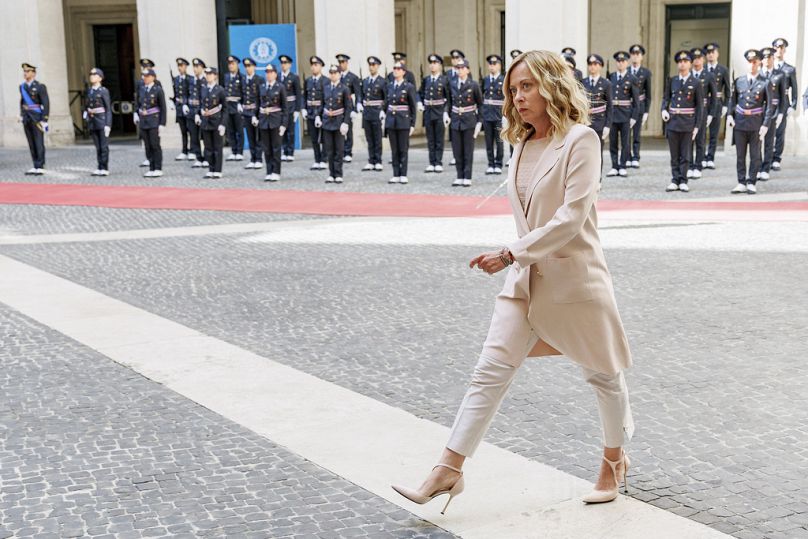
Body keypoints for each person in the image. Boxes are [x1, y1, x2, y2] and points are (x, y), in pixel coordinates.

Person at [391, 50, 635, 514]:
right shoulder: (520, 144)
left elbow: (571, 218)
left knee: (602, 374)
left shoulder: (581, 140)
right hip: (525, 283)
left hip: (574, 281)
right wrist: (517, 259)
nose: (517, 97)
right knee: (490, 370)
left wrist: (509, 252)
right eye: (512, 89)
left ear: (551, 86)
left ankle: (613, 460)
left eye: (526, 87)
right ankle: (449, 468)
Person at [727, 49, 773, 195]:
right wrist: (729, 115)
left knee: (755, 155)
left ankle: (751, 181)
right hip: (740, 123)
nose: (752, 65)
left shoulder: (765, 83)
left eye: (755, 62)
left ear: (759, 63)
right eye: (749, 62)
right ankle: (741, 182)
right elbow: (732, 100)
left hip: (755, 124)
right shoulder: (739, 81)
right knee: (740, 155)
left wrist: (765, 124)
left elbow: (770, 105)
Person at [661, 50, 703, 193]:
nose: (682, 64)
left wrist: (697, 126)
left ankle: (683, 180)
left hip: (687, 123)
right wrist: (663, 110)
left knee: (685, 154)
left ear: (690, 64)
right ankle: (674, 179)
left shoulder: (696, 83)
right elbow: (666, 98)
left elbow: (699, 106)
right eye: (680, 62)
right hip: (673, 122)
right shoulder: (672, 80)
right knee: (674, 154)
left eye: (685, 61)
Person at [448, 58, 482, 187]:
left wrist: (479, 122)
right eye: (458, 68)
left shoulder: (473, 85)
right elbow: (450, 102)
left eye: (463, 68)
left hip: (469, 120)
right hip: (456, 120)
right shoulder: (452, 83)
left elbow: (480, 104)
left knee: (468, 150)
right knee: (457, 150)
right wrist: (447, 113)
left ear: (467, 70)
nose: (460, 70)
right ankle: (459, 176)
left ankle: (467, 176)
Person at [606, 51, 639, 177]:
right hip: (613, 114)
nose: (620, 63)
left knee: (625, 142)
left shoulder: (632, 78)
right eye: (618, 61)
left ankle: (623, 165)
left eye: (623, 61)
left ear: (627, 63)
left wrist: (634, 116)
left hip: (626, 114)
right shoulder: (611, 77)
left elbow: (636, 100)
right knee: (613, 141)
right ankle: (615, 166)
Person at [385, 61, 417, 185]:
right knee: (394, 149)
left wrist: (413, 124)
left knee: (403, 149)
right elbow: (387, 103)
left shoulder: (408, 87)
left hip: (403, 121)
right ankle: (395, 174)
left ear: (403, 72)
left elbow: (413, 107)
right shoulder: (390, 86)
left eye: (399, 69)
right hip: (392, 121)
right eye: (394, 68)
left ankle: (403, 174)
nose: (396, 70)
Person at [687, 47, 717, 180]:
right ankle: (689, 165)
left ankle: (698, 166)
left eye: (699, 58)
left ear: (703, 59)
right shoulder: (687, 74)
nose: (697, 61)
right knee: (688, 140)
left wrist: (711, 114)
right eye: (694, 58)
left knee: (700, 139)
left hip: (703, 111)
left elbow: (714, 97)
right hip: (688, 111)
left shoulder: (709, 75)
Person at [321, 64, 352, 184]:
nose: (333, 75)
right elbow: (322, 104)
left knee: (339, 149)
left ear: (339, 74)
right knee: (329, 149)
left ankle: (338, 173)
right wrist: (319, 116)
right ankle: (331, 173)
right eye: (331, 72)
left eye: (335, 73)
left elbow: (348, 107)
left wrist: (345, 122)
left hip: (339, 121)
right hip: (327, 121)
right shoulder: (326, 87)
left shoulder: (344, 89)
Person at [758, 47, 786, 182]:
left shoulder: (780, 75)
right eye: (764, 57)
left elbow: (783, 96)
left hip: (773, 112)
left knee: (769, 142)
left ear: (773, 58)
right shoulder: (757, 74)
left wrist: (781, 112)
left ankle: (765, 168)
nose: (766, 60)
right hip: (757, 113)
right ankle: (757, 167)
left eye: (769, 57)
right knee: (756, 142)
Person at [418, 53, 449, 173]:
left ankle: (438, 162)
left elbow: (448, 98)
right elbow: (419, 93)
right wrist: (419, 102)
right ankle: (431, 162)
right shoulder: (426, 80)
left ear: (440, 65)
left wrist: (446, 112)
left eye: (435, 63)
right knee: (430, 139)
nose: (432, 65)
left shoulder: (444, 80)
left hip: (439, 111)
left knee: (439, 139)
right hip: (428, 112)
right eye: (431, 63)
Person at [771, 37, 798, 171]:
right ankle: (768, 156)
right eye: (776, 47)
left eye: (781, 47)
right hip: (770, 102)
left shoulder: (790, 69)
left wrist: (793, 105)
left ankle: (776, 158)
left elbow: (795, 88)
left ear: (785, 50)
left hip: (783, 103)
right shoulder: (769, 66)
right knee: (768, 130)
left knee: (780, 132)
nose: (779, 50)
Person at [257, 64, 288, 182]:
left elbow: (285, 107)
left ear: (275, 73)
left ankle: (276, 171)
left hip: (276, 121)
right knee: (266, 148)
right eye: (267, 72)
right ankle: (269, 171)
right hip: (264, 121)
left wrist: (284, 124)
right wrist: (257, 117)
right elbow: (259, 104)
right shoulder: (262, 87)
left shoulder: (280, 87)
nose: (268, 74)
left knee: (276, 148)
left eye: (271, 72)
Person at [703, 43, 731, 169]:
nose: (710, 55)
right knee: (701, 132)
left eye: (712, 52)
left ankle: (710, 158)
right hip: (703, 104)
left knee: (714, 133)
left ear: (717, 54)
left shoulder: (723, 70)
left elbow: (728, 90)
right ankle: (701, 157)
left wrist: (726, 105)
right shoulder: (702, 69)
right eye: (708, 53)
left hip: (717, 103)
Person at [196, 66, 227, 179]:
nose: (208, 76)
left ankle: (217, 170)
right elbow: (200, 104)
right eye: (207, 74)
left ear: (215, 76)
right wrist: (198, 114)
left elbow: (225, 108)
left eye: (210, 74)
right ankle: (211, 169)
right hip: (206, 122)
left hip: (216, 122)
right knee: (208, 147)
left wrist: (223, 124)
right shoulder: (203, 88)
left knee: (217, 147)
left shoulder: (220, 90)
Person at [582, 54, 612, 170]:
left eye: (595, 64)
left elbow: (610, 106)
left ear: (600, 66)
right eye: (590, 64)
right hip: (585, 123)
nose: (592, 67)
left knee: (597, 153)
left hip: (599, 123)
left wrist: (607, 125)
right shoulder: (583, 82)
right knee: (584, 153)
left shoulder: (606, 84)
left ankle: (597, 179)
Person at [19, 62, 49, 175]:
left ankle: (40, 165)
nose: (25, 73)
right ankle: (35, 165)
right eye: (24, 71)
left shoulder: (40, 87)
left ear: (34, 73)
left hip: (37, 118)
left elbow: (46, 103)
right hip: (27, 117)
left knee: (38, 142)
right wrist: (22, 115)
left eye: (28, 71)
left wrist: (45, 119)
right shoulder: (22, 87)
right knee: (31, 142)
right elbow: (22, 102)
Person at [136, 68, 167, 178]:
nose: (145, 78)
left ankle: (158, 167)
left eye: (147, 76)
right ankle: (151, 167)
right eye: (144, 76)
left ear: (153, 77)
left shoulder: (158, 90)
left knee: (155, 145)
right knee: (147, 146)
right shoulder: (142, 89)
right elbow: (138, 103)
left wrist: (162, 123)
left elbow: (163, 108)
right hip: (144, 121)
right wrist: (136, 113)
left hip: (154, 121)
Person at [134, 58, 162, 168]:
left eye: (147, 68)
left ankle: (156, 165)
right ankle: (149, 160)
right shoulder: (140, 83)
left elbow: (160, 103)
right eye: (143, 68)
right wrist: (136, 112)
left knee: (154, 143)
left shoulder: (156, 84)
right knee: (146, 141)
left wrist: (161, 122)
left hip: (153, 117)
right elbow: (137, 98)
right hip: (143, 117)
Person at [361, 56, 387, 172]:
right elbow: (361, 96)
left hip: (376, 112)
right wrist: (359, 103)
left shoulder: (382, 82)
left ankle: (378, 160)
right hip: (367, 113)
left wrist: (383, 110)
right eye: (370, 65)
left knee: (377, 138)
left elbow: (386, 98)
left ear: (378, 66)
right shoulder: (365, 81)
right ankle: (371, 160)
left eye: (374, 65)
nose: (371, 67)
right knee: (369, 138)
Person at [85, 67, 112, 176]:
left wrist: (108, 124)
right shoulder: (90, 91)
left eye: (94, 75)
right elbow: (87, 106)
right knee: (97, 146)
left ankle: (104, 167)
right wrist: (86, 117)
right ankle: (99, 166)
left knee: (103, 146)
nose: (92, 76)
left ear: (100, 78)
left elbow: (108, 109)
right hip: (93, 121)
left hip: (101, 120)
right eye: (91, 74)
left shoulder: (103, 91)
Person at [627, 44, 651, 168]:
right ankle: (627, 156)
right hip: (626, 106)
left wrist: (646, 111)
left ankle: (636, 156)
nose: (635, 56)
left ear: (641, 57)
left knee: (636, 133)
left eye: (638, 54)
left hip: (639, 106)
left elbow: (648, 94)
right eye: (633, 54)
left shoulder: (645, 73)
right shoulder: (626, 71)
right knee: (626, 133)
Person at [482, 54, 505, 174]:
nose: (492, 66)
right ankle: (490, 163)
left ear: (499, 65)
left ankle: (498, 163)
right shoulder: (485, 79)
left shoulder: (503, 80)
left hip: (498, 115)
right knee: (488, 140)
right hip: (487, 115)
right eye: (490, 64)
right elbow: (482, 97)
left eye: (494, 64)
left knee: (499, 140)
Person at [336, 54, 361, 163]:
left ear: (347, 63)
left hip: (348, 107)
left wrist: (355, 109)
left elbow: (358, 94)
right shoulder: (336, 76)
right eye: (339, 62)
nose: (341, 64)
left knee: (348, 131)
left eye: (343, 62)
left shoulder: (353, 77)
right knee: (337, 130)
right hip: (337, 107)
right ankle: (340, 152)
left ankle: (348, 152)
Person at [303, 55, 326, 170]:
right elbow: (305, 96)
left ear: (321, 66)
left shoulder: (326, 80)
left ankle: (324, 159)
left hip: (322, 113)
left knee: (324, 137)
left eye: (316, 65)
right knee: (313, 137)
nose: (313, 67)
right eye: (312, 65)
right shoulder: (308, 81)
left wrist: (319, 114)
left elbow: (326, 99)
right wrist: (303, 108)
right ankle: (317, 159)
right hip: (311, 112)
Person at [241, 57, 264, 169]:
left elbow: (261, 97)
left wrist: (257, 114)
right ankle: (252, 158)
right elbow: (241, 94)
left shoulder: (259, 79)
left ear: (254, 66)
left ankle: (259, 158)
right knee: (250, 137)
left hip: (256, 111)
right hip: (246, 111)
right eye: (245, 66)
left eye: (249, 66)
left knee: (258, 136)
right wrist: (240, 105)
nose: (247, 68)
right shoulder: (243, 79)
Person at [279, 55, 302, 162]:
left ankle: (290, 151)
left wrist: (297, 110)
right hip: (280, 108)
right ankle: (284, 150)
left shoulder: (294, 77)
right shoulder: (278, 77)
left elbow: (298, 94)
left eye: (285, 63)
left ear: (289, 65)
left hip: (291, 107)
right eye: (282, 63)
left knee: (290, 131)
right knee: (282, 130)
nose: (283, 65)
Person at [223, 55, 245, 161]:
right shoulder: (226, 76)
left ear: (237, 64)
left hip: (237, 105)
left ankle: (240, 151)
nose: (231, 66)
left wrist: (242, 103)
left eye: (233, 64)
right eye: (229, 64)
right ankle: (233, 150)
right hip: (228, 105)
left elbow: (245, 92)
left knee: (239, 129)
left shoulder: (241, 77)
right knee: (230, 129)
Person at [188, 58, 207, 168]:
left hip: (202, 113)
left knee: (205, 137)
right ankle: (198, 157)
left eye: (197, 67)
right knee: (194, 136)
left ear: (202, 68)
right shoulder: (191, 81)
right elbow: (187, 94)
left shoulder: (205, 81)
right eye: (194, 67)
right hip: (191, 112)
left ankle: (207, 158)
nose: (195, 69)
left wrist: (199, 113)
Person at [172, 57, 191, 160]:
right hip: (179, 109)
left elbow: (191, 94)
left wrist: (186, 103)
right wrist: (173, 102)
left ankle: (192, 150)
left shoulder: (190, 79)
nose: (180, 68)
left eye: (181, 65)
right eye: (178, 66)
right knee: (183, 131)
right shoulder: (176, 79)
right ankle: (184, 150)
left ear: (186, 66)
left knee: (191, 131)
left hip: (188, 109)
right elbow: (176, 94)